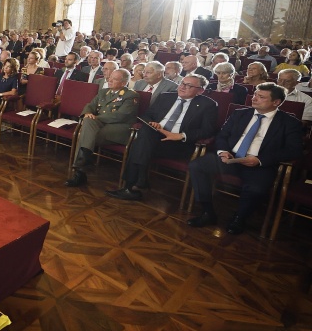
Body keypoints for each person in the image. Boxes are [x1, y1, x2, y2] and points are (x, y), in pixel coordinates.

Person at [187, 83, 304, 234]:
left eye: (261, 97)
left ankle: (240, 218)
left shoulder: (290, 122)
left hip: (259, 165)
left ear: (276, 102)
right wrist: (223, 151)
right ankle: (207, 212)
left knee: (257, 188)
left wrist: (260, 160)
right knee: (197, 166)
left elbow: (294, 150)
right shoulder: (240, 113)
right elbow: (222, 135)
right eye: (255, 94)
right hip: (230, 157)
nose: (254, 98)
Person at [107, 74, 218, 200]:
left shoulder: (208, 105)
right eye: (182, 83)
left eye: (189, 86)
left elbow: (208, 131)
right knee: (145, 134)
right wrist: (152, 123)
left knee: (138, 144)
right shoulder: (165, 96)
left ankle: (133, 186)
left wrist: (181, 135)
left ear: (200, 90)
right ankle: (138, 181)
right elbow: (146, 115)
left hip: (178, 145)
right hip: (155, 137)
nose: (182, 87)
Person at [65, 69, 139, 187]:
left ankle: (79, 172)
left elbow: (121, 116)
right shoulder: (104, 92)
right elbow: (90, 105)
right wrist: (88, 113)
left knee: (86, 133)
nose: (110, 80)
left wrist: (96, 117)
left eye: (114, 79)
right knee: (88, 122)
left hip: (119, 128)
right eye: (110, 77)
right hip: (100, 125)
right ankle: (82, 165)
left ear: (124, 83)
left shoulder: (131, 95)